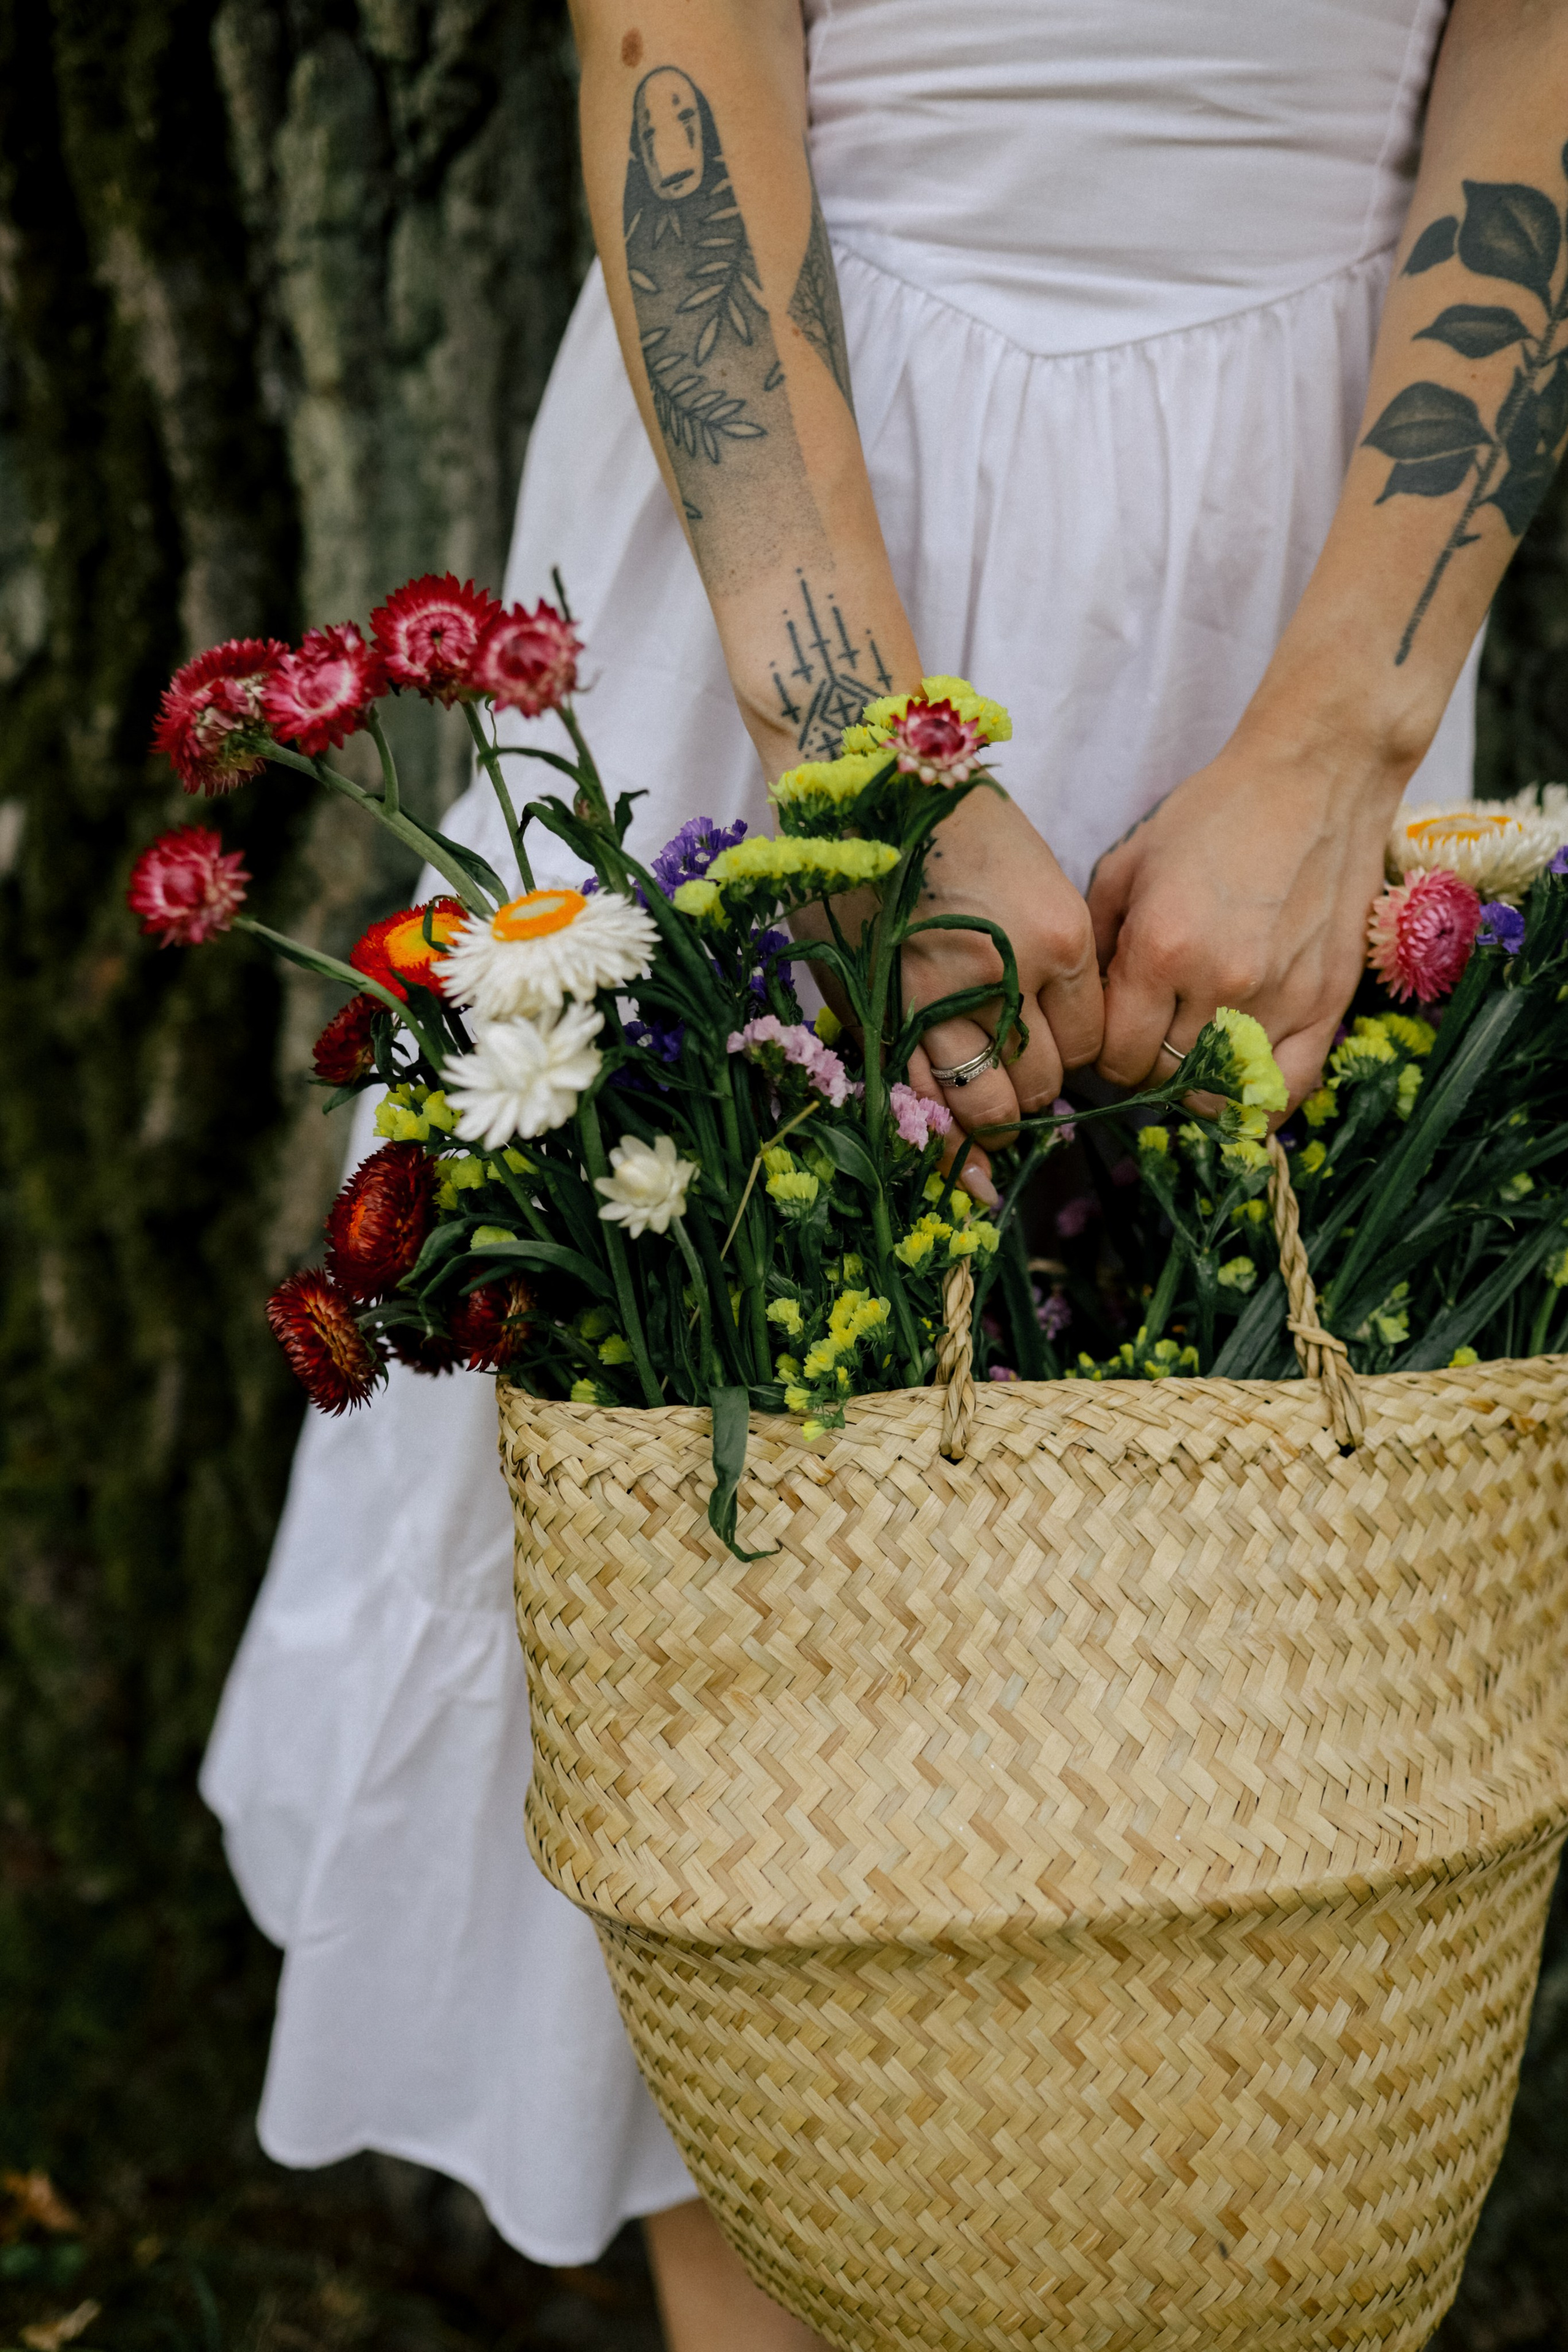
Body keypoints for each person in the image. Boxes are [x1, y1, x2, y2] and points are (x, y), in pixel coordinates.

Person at [205, 0, 1562, 2342]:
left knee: (1261, 1687)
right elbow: (679, 61)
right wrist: (852, 753)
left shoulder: (1334, 686)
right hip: (827, 511)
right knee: (754, 1646)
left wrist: (1339, 745)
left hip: (1329, 545)